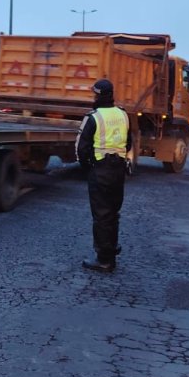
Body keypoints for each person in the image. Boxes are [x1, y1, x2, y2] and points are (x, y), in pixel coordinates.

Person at [75, 78, 130, 273]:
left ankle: (104, 259)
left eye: (94, 94)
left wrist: (87, 168)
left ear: (98, 96)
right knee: (113, 213)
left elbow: (81, 148)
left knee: (101, 215)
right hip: (119, 170)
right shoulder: (123, 115)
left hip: (100, 170)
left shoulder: (93, 117)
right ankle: (111, 251)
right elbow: (128, 143)